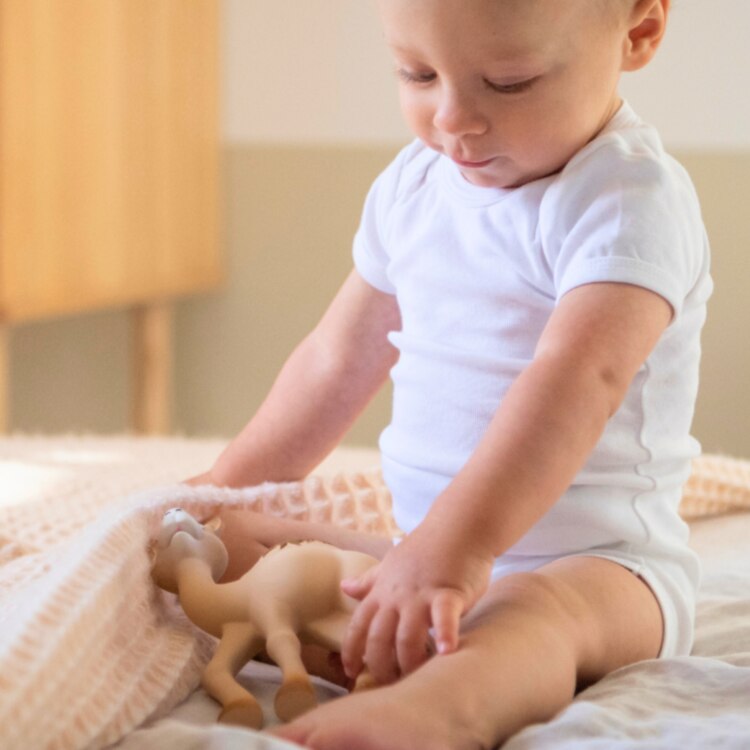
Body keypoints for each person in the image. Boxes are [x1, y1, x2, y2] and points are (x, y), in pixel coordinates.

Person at [187, 0, 712, 747]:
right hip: (432, 550)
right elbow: (337, 359)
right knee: (242, 541)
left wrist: (458, 550)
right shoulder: (416, 185)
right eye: (419, 73)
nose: (454, 118)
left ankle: (438, 712)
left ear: (638, 31)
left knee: (536, 612)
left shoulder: (628, 198)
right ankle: (380, 647)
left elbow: (578, 379)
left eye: (510, 82)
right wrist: (219, 490)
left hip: (603, 571)